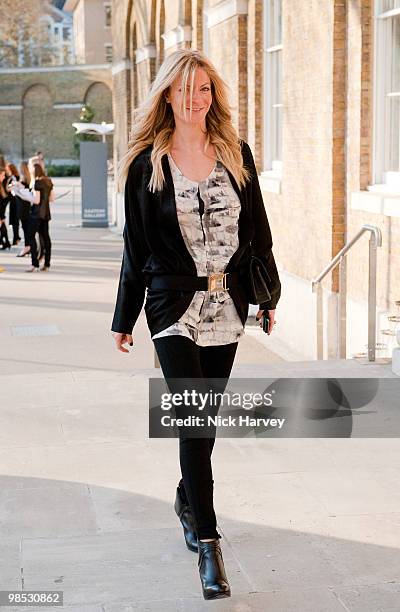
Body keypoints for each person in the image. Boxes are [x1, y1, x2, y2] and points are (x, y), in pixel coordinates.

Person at [110, 49, 281, 600]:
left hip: (227, 306)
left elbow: (258, 234)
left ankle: (188, 495)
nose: (195, 99)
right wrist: (125, 316)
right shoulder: (147, 164)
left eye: (204, 89)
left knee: (207, 421)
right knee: (193, 417)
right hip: (171, 307)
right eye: (185, 90)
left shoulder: (237, 154)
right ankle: (208, 542)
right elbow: (135, 250)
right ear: (166, 95)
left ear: (214, 96)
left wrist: (267, 296)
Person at [24, 163, 54, 272]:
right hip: (45, 214)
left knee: (30, 237)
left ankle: (34, 264)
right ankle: (47, 263)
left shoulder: (37, 183)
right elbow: (52, 199)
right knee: (46, 238)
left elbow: (36, 200)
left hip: (36, 214)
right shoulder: (48, 181)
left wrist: (26, 197)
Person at [0, 166, 11, 250]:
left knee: (3, 225)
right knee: (2, 225)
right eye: (2, 175)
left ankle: (6, 242)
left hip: (1, 209)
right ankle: (6, 242)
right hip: (1, 210)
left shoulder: (1, 184)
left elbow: (5, 198)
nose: (4, 177)